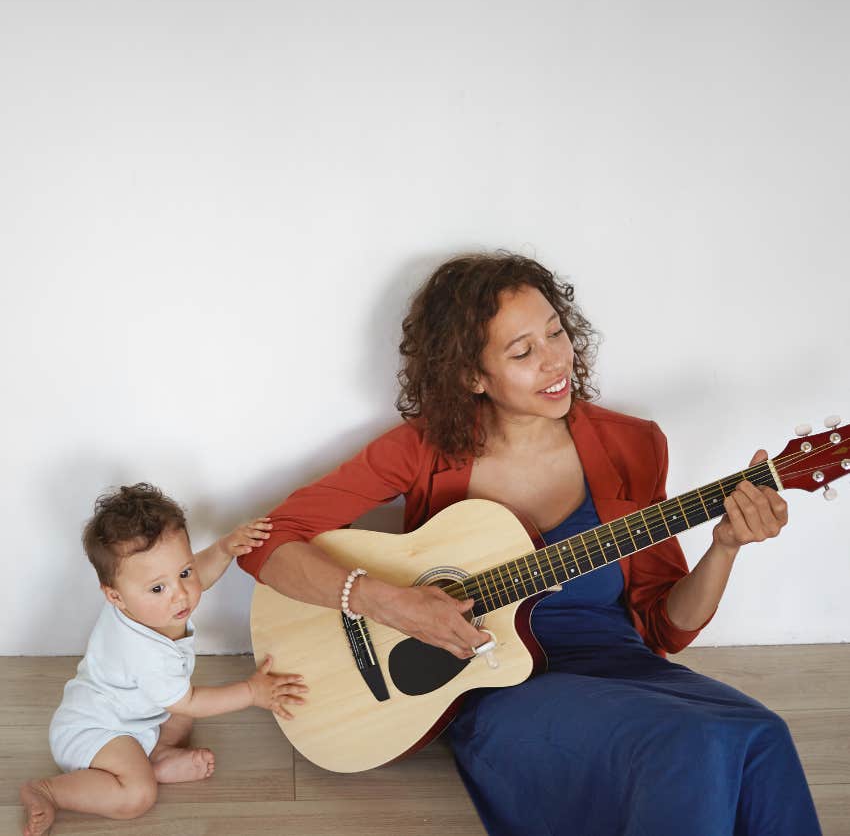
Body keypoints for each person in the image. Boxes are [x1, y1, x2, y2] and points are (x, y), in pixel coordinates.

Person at [238, 252, 821, 835]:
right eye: (522, 352)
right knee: (687, 745)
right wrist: (390, 602)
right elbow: (265, 546)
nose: (555, 362)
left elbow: (666, 625)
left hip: (618, 664)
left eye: (556, 333)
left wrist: (724, 546)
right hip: (498, 682)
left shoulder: (632, 445)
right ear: (471, 375)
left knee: (761, 735)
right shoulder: (424, 449)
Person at [20, 483, 309, 836]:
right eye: (159, 588)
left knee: (181, 719)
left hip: (138, 714)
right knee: (137, 795)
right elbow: (191, 700)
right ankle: (48, 790)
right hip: (95, 731)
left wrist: (223, 549)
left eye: (183, 573)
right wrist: (252, 692)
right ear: (116, 596)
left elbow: (198, 572)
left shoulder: (146, 604)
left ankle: (157, 756)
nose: (181, 594)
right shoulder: (144, 652)